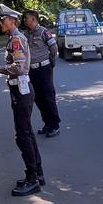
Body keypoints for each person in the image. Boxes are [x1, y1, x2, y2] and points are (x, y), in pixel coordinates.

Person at [0, 4, 43, 196]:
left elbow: (18, 67)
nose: (0, 23)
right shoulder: (14, 39)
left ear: (12, 21)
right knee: (27, 132)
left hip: (21, 90)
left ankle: (32, 179)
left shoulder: (17, 40)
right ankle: (37, 173)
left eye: (3, 20)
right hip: (21, 89)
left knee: (22, 135)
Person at [21, 9, 61, 138]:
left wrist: (50, 61)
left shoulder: (43, 32)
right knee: (37, 98)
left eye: (26, 18)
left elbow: (53, 48)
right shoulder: (26, 34)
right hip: (32, 71)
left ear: (33, 18)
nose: (24, 20)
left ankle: (54, 126)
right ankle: (47, 124)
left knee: (48, 97)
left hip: (44, 69)